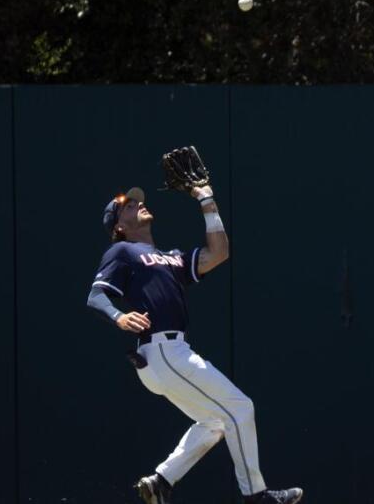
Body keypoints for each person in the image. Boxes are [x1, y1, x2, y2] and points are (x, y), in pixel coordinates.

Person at [86, 184, 303, 504]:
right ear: (119, 226)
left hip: (166, 356)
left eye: (137, 202)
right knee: (241, 408)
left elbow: (219, 253)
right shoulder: (122, 251)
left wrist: (206, 199)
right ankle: (257, 497)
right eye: (127, 205)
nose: (137, 204)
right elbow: (96, 295)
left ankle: (160, 481)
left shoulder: (170, 257)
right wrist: (118, 317)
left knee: (216, 421)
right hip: (161, 351)